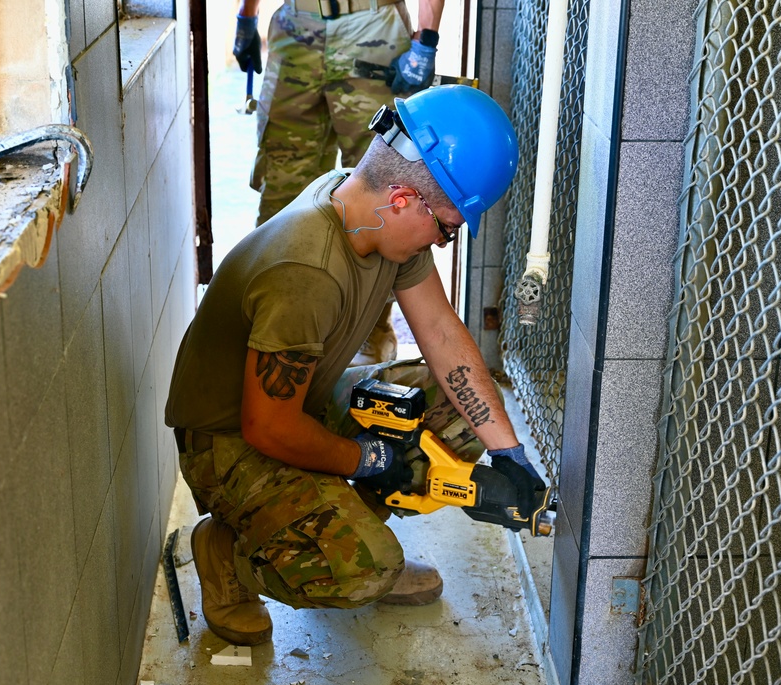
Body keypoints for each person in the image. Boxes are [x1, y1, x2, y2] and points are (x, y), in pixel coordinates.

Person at [165, 85, 545, 646]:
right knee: (365, 569)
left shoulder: (364, 208)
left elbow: (441, 333)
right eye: (446, 227)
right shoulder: (306, 271)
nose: (442, 244)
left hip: (303, 404)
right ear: (401, 200)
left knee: (454, 414)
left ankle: (342, 526)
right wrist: (370, 459)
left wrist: (509, 455)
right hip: (225, 440)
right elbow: (266, 427)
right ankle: (232, 555)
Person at [233, 0, 447, 363]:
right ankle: (273, 336)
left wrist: (425, 38)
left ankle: (371, 334)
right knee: (282, 187)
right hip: (296, 27)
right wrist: (247, 14)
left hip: (372, 27)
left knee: (385, 195)